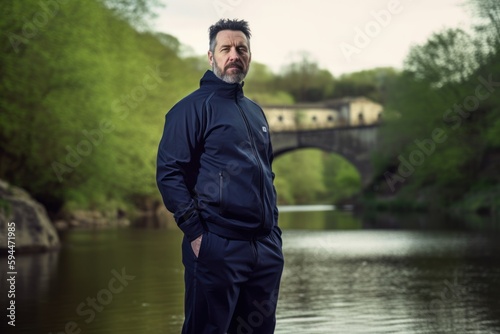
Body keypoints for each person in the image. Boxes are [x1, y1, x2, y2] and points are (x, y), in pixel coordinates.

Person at [156, 19, 284, 334]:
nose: (234, 55)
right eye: (225, 48)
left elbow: (266, 173)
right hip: (217, 246)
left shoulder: (256, 112)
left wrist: (274, 236)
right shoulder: (190, 109)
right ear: (211, 56)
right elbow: (169, 174)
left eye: (241, 49)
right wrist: (198, 235)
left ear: (250, 56)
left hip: (264, 251)